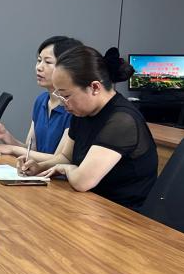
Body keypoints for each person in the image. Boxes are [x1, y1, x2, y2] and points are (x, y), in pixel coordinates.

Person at [18, 46, 158, 210]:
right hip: (90, 204)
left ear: (95, 88)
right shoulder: (82, 112)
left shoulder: (122, 121)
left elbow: (82, 181)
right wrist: (40, 167)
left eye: (66, 95)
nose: (63, 102)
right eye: (59, 95)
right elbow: (66, 157)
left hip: (122, 213)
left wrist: (67, 169)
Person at [0, 35, 82, 157]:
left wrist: (12, 149)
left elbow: (58, 159)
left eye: (48, 62)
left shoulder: (73, 108)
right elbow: (31, 150)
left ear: (68, 67)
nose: (39, 67)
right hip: (36, 169)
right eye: (39, 60)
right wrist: (5, 136)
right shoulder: (41, 100)